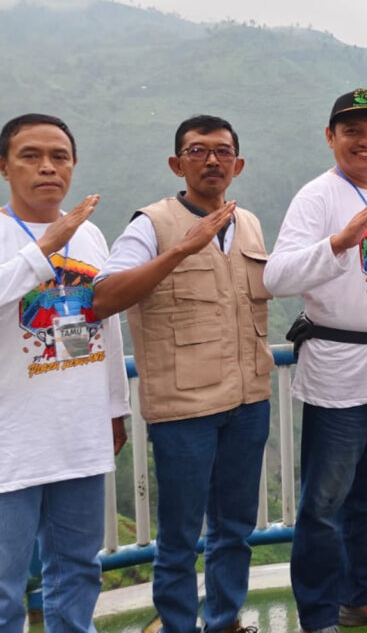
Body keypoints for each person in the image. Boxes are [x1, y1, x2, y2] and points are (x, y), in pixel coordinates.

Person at [93, 115, 272, 633]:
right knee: (179, 534)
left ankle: (224, 620)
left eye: (222, 151)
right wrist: (181, 250)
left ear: (238, 164)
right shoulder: (150, 225)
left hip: (249, 401)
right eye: (198, 151)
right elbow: (104, 296)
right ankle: (177, 625)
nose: (212, 160)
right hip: (183, 409)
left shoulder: (249, 222)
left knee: (235, 528)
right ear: (177, 164)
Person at [264, 89, 367, 633]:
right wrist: (338, 242)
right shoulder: (317, 197)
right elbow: (276, 277)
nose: (366, 141)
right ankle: (318, 614)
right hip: (339, 376)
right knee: (325, 504)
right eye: (353, 130)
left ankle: (361, 595)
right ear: (330, 137)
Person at [0, 114, 129, 633]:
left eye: (60, 156)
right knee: (4, 585)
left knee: (77, 569)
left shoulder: (90, 234)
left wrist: (115, 408)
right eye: (31, 156)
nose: (48, 167)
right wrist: (44, 247)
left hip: (79, 432)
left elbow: (107, 323)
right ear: (4, 166)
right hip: (11, 442)